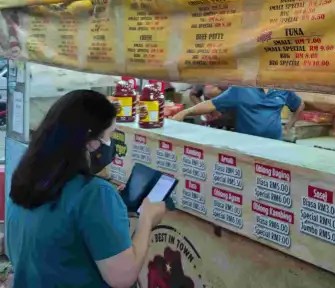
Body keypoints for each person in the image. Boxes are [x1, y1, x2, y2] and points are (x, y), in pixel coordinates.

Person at [7, 90, 167, 288]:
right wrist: (147, 221)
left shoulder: (25, 178)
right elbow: (122, 277)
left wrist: (108, 209)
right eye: (109, 136)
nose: (110, 145)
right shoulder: (94, 194)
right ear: (90, 142)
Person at [171, 86, 304, 140]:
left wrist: (288, 127)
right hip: (246, 145)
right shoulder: (240, 89)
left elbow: (299, 105)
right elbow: (211, 104)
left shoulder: (282, 89)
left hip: (275, 144)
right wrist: (185, 112)